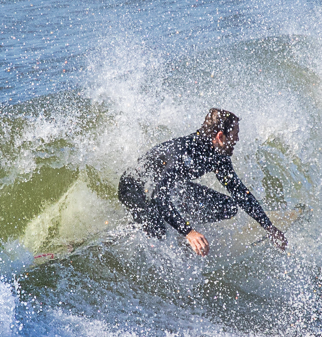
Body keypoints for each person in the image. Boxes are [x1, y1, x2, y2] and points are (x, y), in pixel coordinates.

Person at [118, 108, 287, 256]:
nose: (237, 140)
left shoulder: (218, 156)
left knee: (228, 207)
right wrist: (188, 232)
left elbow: (240, 193)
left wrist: (269, 227)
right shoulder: (184, 153)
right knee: (159, 232)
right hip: (134, 188)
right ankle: (183, 233)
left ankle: (180, 227)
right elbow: (159, 196)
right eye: (234, 135)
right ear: (220, 136)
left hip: (166, 188)